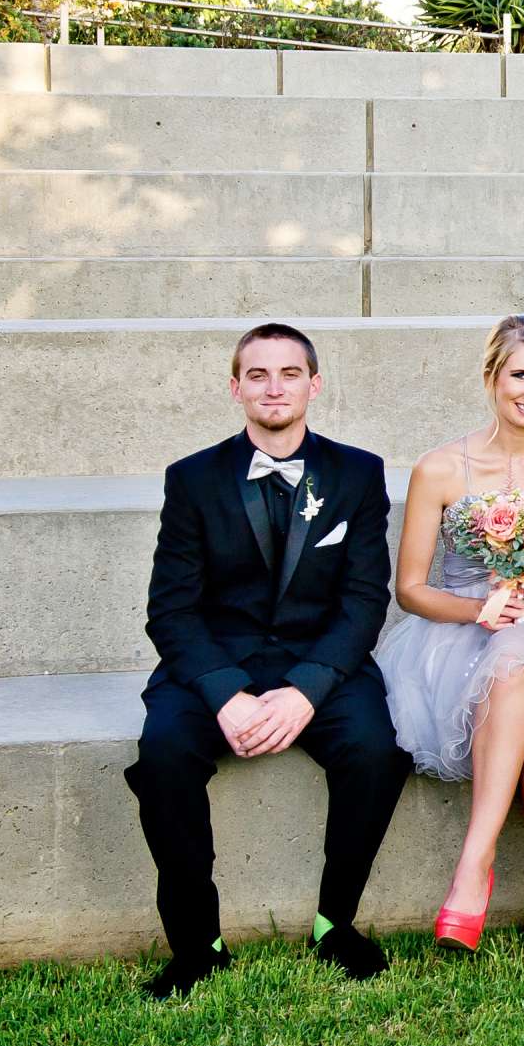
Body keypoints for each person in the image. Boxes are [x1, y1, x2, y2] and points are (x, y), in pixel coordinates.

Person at [123, 323, 409, 997]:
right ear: (235, 388)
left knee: (374, 751)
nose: (274, 387)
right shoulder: (192, 479)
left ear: (314, 384)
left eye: (289, 373)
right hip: (215, 663)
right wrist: (224, 694)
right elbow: (171, 609)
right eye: (258, 374)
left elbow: (365, 599)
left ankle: (333, 925)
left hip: (322, 663)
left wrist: (308, 690)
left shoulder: (359, 473)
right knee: (163, 756)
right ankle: (199, 944)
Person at [376, 315, 524, 959]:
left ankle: (472, 868)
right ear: (491, 377)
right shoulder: (440, 469)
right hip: (462, 634)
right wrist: (480, 606)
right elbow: (412, 588)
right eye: (520, 375)